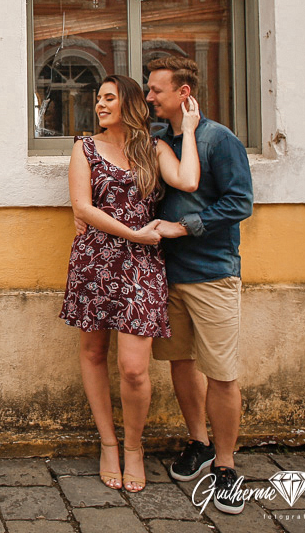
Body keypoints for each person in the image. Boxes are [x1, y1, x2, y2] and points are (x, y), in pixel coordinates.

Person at [62, 75, 200, 493]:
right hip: (96, 261)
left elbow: (188, 181)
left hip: (142, 265)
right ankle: (108, 443)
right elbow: (82, 207)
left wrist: (189, 131)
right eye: (98, 99)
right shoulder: (85, 148)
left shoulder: (153, 149)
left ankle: (134, 447)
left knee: (135, 369)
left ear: (130, 102)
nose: (100, 105)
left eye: (109, 98)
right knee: (93, 352)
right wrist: (133, 233)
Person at [145, 56, 253, 515]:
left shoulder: (218, 139)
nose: (150, 97)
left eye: (157, 90)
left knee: (222, 373)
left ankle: (226, 466)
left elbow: (240, 202)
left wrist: (183, 227)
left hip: (213, 275)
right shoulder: (158, 140)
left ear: (183, 92)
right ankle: (199, 443)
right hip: (168, 275)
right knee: (180, 363)